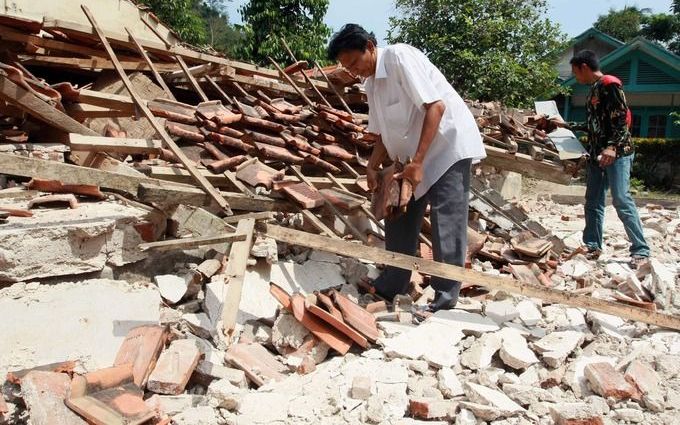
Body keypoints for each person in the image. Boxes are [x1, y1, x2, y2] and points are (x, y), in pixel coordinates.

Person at [327, 24, 486, 311]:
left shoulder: (400, 58)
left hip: (447, 146)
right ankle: (393, 284)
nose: (352, 71)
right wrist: (372, 167)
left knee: (446, 219)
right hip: (412, 156)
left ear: (370, 47)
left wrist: (418, 163)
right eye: (346, 67)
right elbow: (382, 135)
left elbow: (436, 107)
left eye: (354, 62)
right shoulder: (372, 83)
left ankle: (446, 295)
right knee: (397, 215)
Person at [568, 50, 650, 267]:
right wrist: (564, 125)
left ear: (584, 67)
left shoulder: (609, 84)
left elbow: (621, 120)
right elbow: (595, 126)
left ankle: (640, 250)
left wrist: (612, 147)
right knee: (593, 201)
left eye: (575, 72)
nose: (576, 77)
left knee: (621, 199)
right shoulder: (594, 90)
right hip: (598, 155)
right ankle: (593, 245)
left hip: (617, 155)